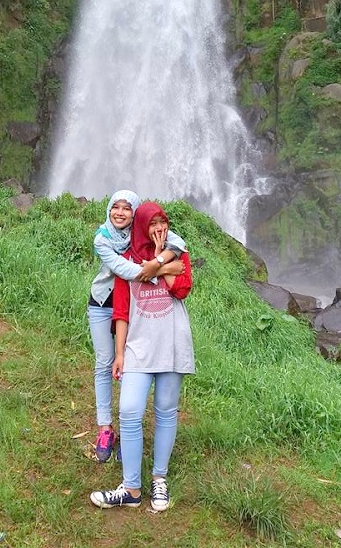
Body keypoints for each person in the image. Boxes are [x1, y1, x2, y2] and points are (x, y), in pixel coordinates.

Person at [90, 201, 194, 512]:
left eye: (163, 223)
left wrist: (161, 260)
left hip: (171, 344)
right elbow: (120, 311)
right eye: (152, 224)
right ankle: (131, 488)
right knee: (130, 410)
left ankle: (159, 479)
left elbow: (181, 289)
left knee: (165, 411)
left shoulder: (179, 253)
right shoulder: (126, 261)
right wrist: (119, 353)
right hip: (137, 346)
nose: (158, 228)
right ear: (141, 226)